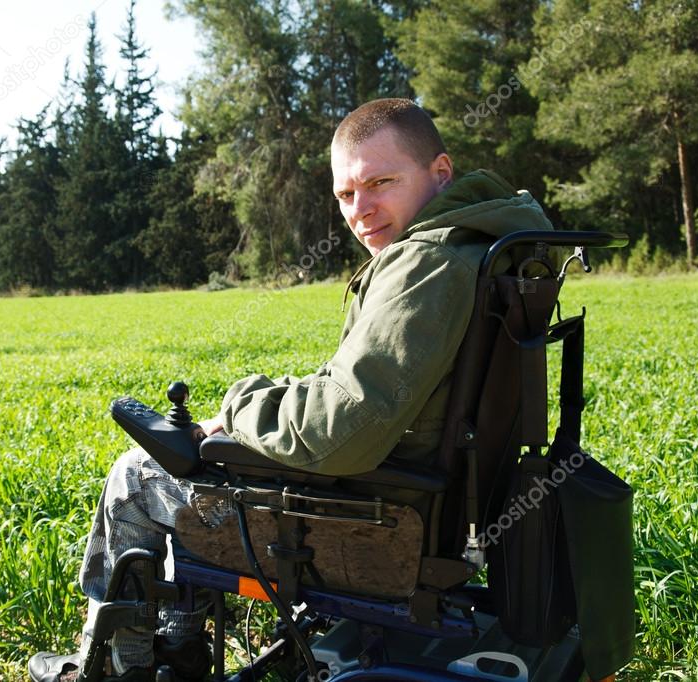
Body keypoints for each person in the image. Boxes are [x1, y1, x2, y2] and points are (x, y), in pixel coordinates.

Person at [28, 98, 554, 682]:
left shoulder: (425, 263)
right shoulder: (480, 242)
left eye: (382, 182)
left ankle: (115, 666)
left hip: (378, 514)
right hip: (423, 495)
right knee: (196, 461)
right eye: (346, 194)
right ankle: (176, 648)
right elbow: (364, 388)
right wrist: (270, 401)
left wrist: (238, 404)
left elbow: (339, 432)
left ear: (441, 172)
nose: (362, 210)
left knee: (138, 474)